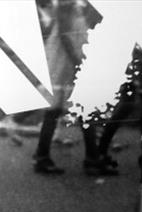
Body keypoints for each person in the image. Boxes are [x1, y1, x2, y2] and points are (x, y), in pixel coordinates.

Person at [31, 0, 117, 176]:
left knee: (79, 107)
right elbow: (63, 32)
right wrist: (78, 62)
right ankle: (86, 159)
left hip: (75, 52)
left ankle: (87, 157)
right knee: (60, 108)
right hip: (65, 58)